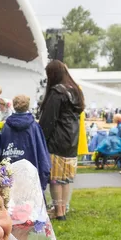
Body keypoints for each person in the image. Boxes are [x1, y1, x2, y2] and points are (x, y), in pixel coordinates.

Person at [37, 60, 84, 220]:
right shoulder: (75, 90)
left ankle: (58, 211)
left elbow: (48, 120)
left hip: (56, 141)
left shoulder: (57, 92)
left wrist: (41, 138)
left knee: (55, 179)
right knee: (65, 179)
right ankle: (62, 208)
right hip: (71, 141)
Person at [0, 94, 50, 183]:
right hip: (29, 172)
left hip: (10, 170)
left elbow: (0, 147)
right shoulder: (34, 126)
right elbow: (41, 151)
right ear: (27, 106)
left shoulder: (6, 126)